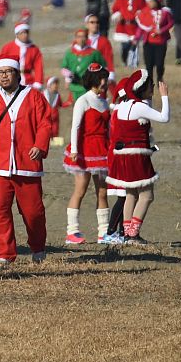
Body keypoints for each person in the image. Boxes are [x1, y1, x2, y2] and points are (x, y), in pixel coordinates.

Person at [0, 58, 53, 264]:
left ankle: (38, 247)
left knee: (33, 212)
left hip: (27, 165)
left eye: (9, 71)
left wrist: (40, 146)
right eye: (1, 72)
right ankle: (5, 253)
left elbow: (45, 124)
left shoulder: (34, 97)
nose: (4, 75)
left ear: (18, 74)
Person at [106, 70, 169, 245]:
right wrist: (165, 97)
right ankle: (133, 234)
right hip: (137, 156)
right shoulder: (140, 107)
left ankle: (126, 233)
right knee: (147, 195)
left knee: (131, 194)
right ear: (142, 88)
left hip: (122, 156)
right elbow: (164, 118)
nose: (154, 87)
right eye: (151, 85)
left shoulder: (123, 105)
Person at [62, 63, 111, 245]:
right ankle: (72, 231)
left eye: (105, 78)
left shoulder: (104, 101)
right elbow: (75, 126)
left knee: (103, 192)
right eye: (101, 79)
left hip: (102, 149)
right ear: (94, 81)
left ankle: (104, 232)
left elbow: (108, 128)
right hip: (85, 149)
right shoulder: (83, 100)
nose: (105, 82)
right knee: (81, 189)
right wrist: (74, 150)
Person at [135, 0, 174, 86]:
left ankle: (160, 77)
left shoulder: (164, 12)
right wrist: (136, 37)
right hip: (148, 42)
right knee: (149, 64)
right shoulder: (144, 12)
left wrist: (162, 30)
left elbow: (171, 22)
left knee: (159, 63)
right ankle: (149, 82)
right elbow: (141, 27)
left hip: (161, 42)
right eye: (150, 2)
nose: (152, 3)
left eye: (153, 1)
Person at [60, 27, 107, 101]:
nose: (81, 39)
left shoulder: (94, 53)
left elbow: (103, 67)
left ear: (87, 38)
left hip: (89, 87)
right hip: (74, 87)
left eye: (83, 36)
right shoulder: (69, 52)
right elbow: (64, 68)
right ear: (75, 38)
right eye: (79, 37)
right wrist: (67, 78)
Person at [0, 22, 45, 90]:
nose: (25, 35)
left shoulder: (34, 49)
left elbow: (39, 67)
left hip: (29, 81)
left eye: (26, 32)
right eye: (22, 33)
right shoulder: (8, 47)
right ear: (17, 35)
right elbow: (0, 65)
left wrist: (38, 82)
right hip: (12, 80)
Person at [110, 0, 146, 68]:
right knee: (125, 46)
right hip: (123, 26)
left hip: (135, 26)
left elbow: (145, 10)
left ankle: (134, 64)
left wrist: (140, 14)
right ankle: (125, 61)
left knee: (134, 46)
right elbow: (115, 9)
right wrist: (118, 15)